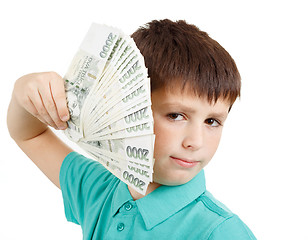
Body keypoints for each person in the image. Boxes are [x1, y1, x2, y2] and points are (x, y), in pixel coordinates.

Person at [7, 19, 256, 239]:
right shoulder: (98, 188)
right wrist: (22, 92)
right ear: (126, 109)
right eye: (176, 115)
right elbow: (30, 134)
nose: (196, 141)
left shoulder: (222, 232)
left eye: (212, 121)